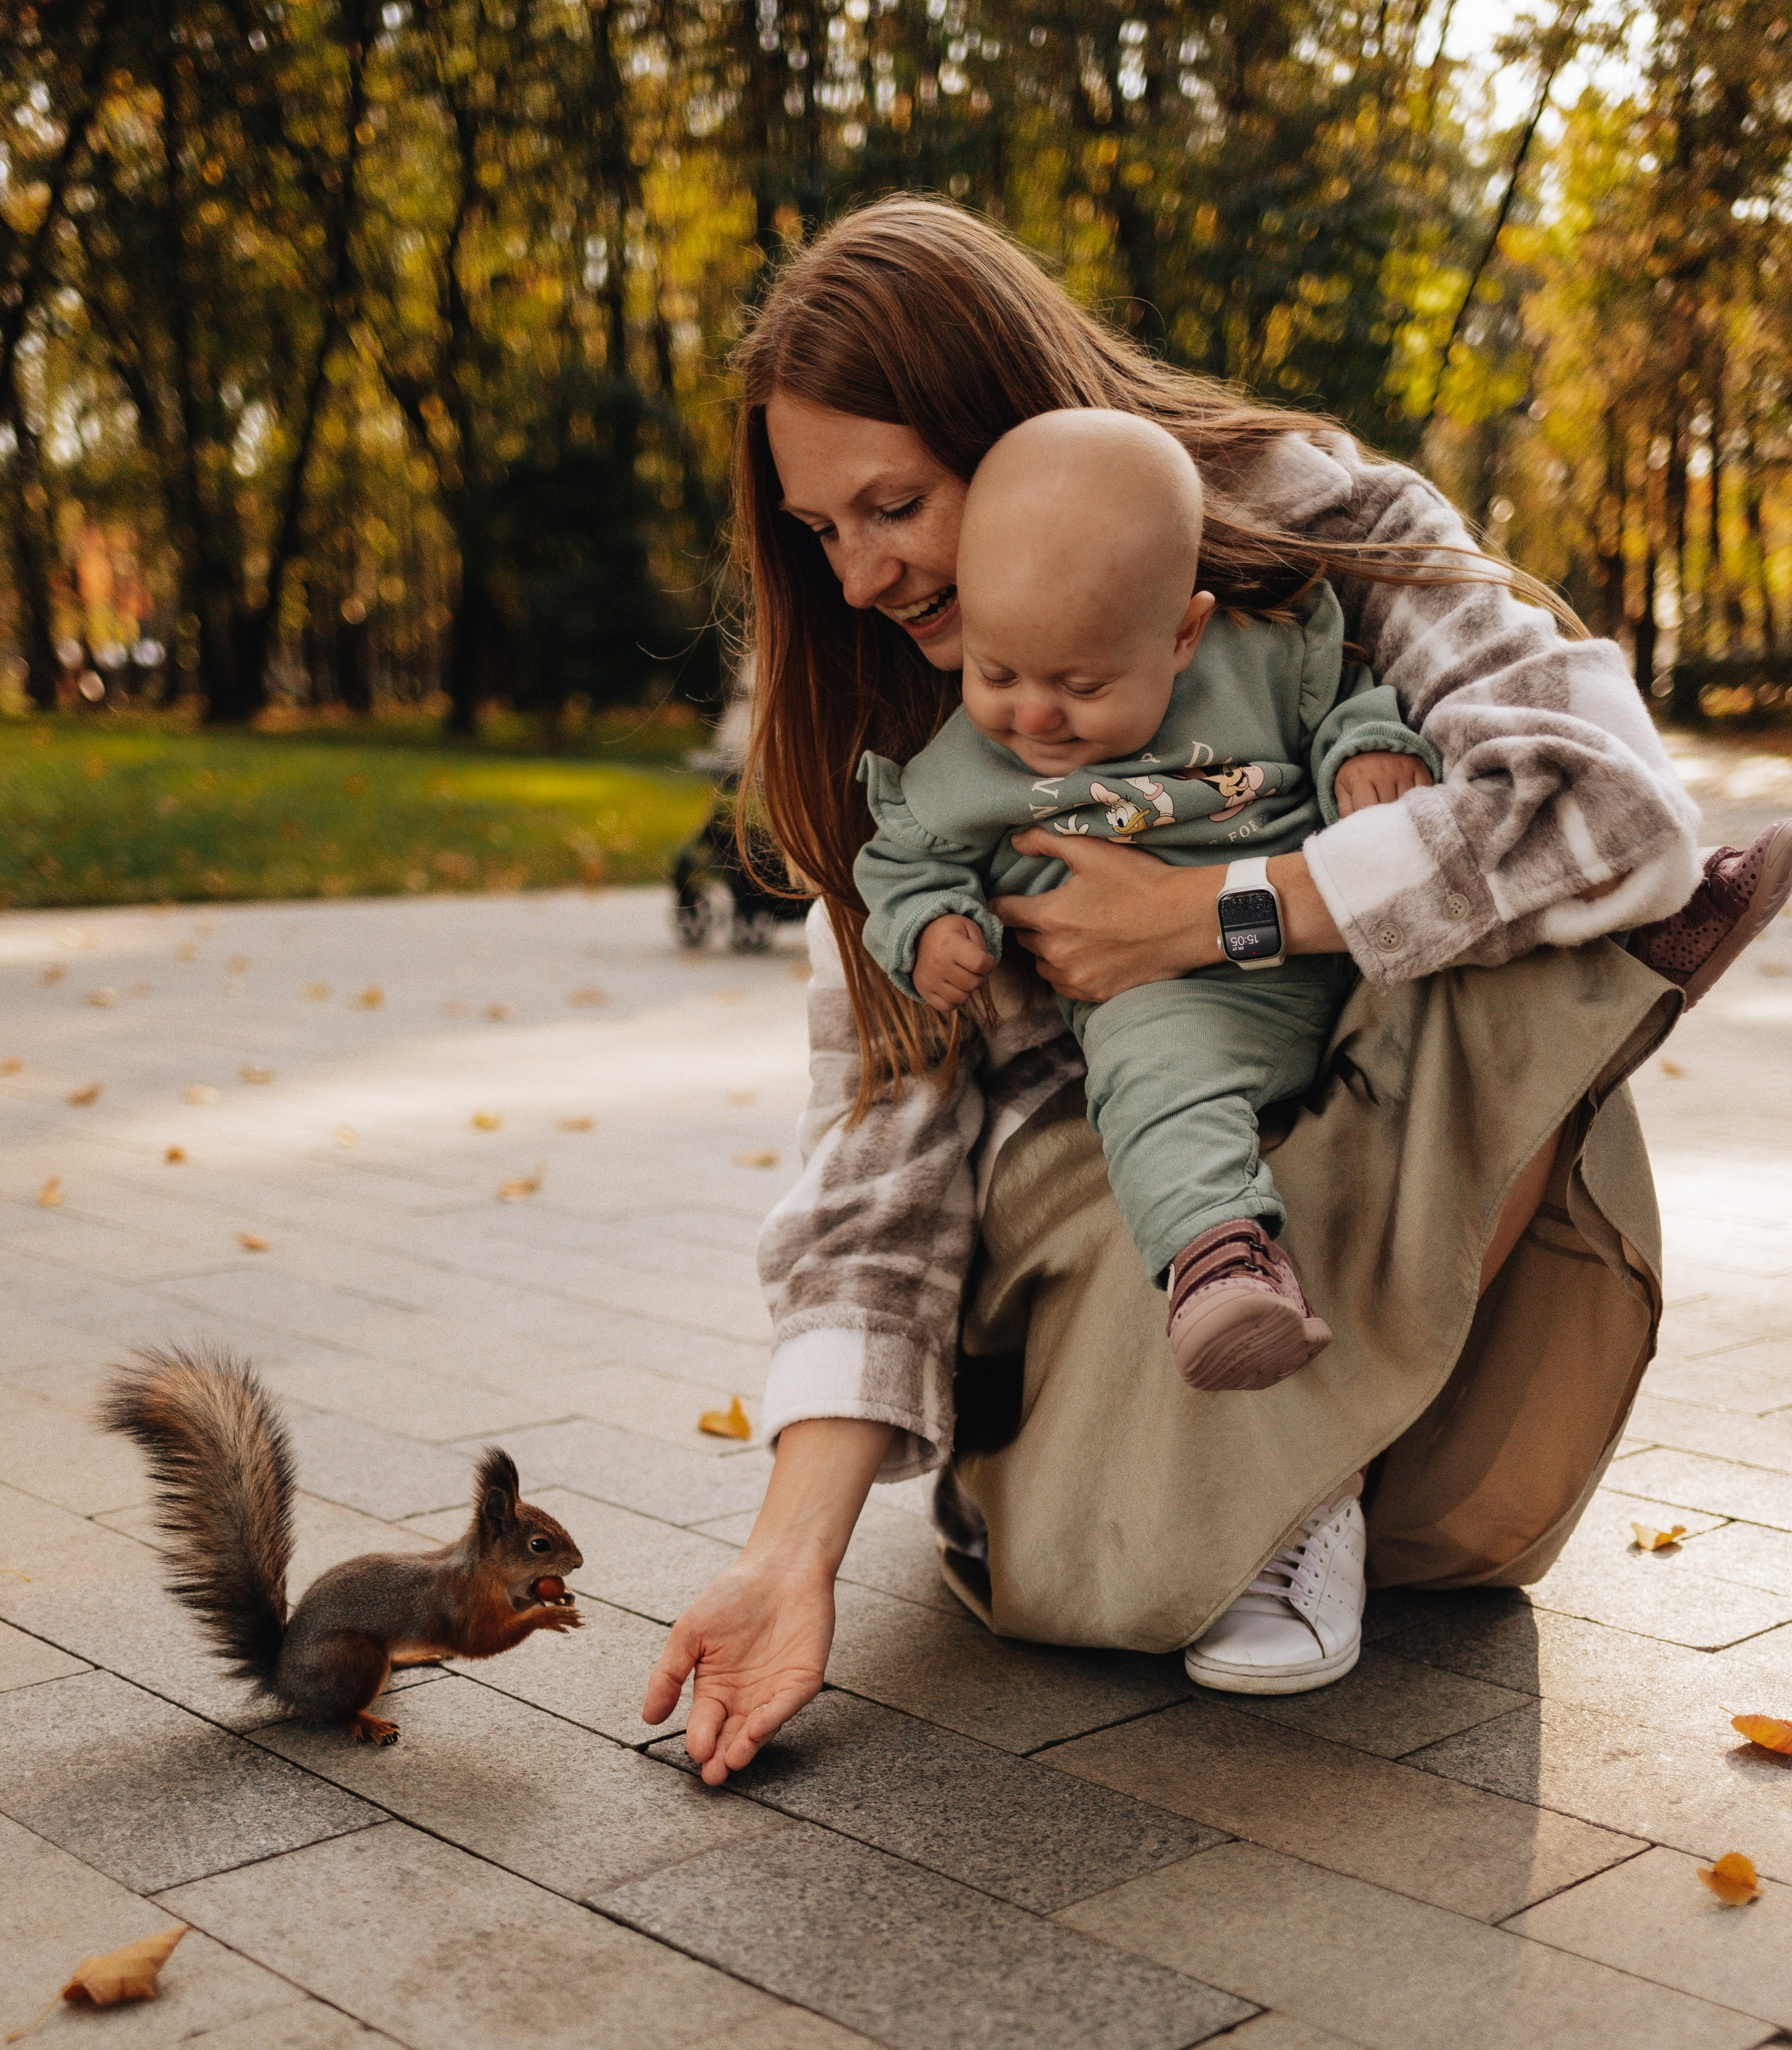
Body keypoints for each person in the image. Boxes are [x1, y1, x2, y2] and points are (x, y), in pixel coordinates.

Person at [642, 194, 1788, 1760]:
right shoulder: (896, 726)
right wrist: (791, 1554)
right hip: (1106, 1215)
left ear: (1013, 428)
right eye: (814, 529)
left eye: (890, 505)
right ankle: (1262, 1474)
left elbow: (1611, 812)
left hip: (1362, 1093)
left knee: (1518, 920)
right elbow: (882, 1140)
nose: (852, 577)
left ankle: (1300, 1486)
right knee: (1087, 1555)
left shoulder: (1300, 522)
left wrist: (1223, 914)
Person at [853, 407, 1443, 1392]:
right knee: (1152, 1084)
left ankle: (1642, 951)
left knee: (1483, 935)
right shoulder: (964, 766)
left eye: (1083, 683)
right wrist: (930, 930)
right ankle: (1219, 1262)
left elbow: (1347, 699)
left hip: (1350, 941)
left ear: (1183, 635)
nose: (1034, 713)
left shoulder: (1262, 656)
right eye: (997, 672)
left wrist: (1368, 749)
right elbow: (904, 859)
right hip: (1176, 1003)